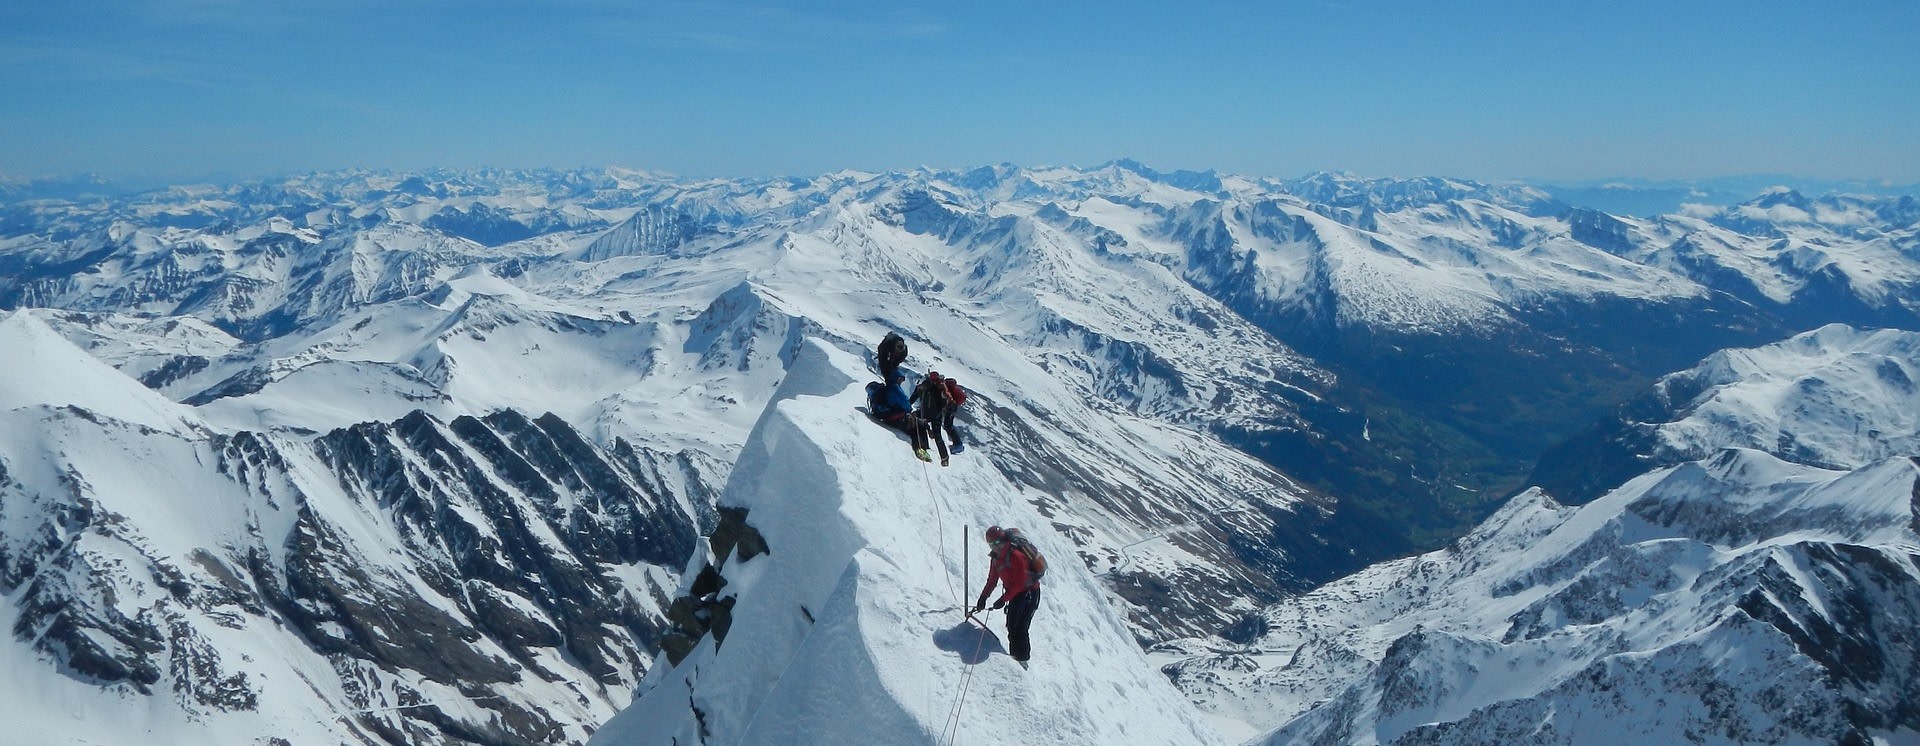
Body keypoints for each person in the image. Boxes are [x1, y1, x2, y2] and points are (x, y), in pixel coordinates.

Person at [972, 526, 1041, 664]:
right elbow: (992, 580)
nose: (996, 547)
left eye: (998, 542)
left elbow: (1021, 582)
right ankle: (1015, 659)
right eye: (992, 544)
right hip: (1015, 594)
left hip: (1029, 594)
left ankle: (1022, 661)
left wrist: (1003, 599)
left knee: (1020, 627)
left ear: (1004, 539)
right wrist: (983, 597)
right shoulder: (996, 558)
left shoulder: (1015, 555)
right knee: (1012, 626)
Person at [866, 372, 932, 462]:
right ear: (896, 378)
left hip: (889, 417)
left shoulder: (887, 387)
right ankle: (921, 450)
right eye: (900, 379)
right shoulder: (895, 388)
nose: (901, 381)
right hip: (896, 419)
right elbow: (906, 405)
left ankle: (923, 448)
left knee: (917, 424)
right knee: (917, 426)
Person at [910, 371, 955, 466]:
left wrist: (907, 407)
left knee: (932, 432)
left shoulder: (927, 388)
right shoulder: (931, 389)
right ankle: (944, 458)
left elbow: (913, 399)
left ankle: (926, 447)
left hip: (930, 413)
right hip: (933, 414)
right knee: (937, 436)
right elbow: (942, 404)